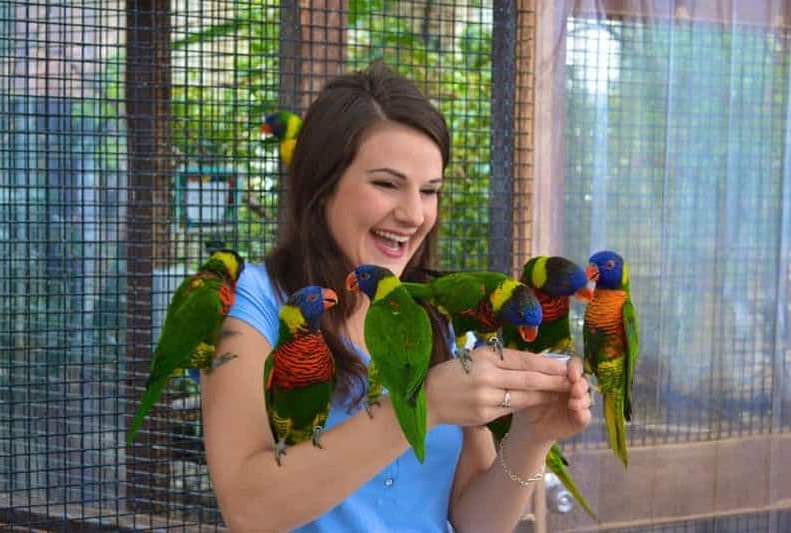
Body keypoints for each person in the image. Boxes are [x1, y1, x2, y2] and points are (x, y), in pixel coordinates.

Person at [201, 61, 592, 532]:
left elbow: (473, 523)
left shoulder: (439, 317)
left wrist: (532, 436)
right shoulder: (251, 306)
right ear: (321, 187)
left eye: (430, 191)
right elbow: (247, 510)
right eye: (387, 184)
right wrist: (424, 407)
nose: (413, 214)